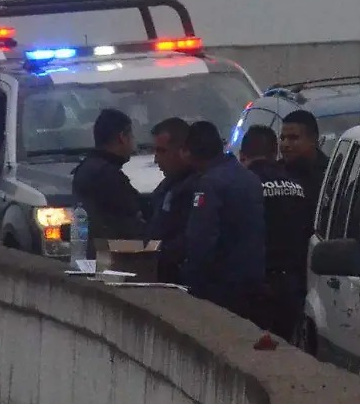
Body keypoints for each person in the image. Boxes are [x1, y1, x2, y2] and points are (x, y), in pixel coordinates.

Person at [178, 119, 265, 322]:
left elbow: (201, 239)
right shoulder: (249, 178)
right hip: (253, 284)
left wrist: (188, 277)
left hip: (221, 289)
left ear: (191, 153)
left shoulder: (209, 184)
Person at [241, 124, 310, 340]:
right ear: (274, 153)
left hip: (256, 285)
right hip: (292, 283)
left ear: (243, 156)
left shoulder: (243, 185)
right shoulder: (296, 185)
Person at [69, 108, 147, 247]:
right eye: (132, 136)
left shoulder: (89, 168)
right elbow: (132, 218)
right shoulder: (107, 175)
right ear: (122, 137)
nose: (134, 143)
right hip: (110, 258)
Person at [147, 117, 198, 282]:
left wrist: (158, 253)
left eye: (162, 151)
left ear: (183, 150)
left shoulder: (197, 187)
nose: (156, 159)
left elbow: (188, 240)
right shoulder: (169, 183)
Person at [278, 110, 328, 230]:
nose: (285, 144)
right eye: (282, 138)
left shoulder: (330, 175)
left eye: (293, 138)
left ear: (314, 139)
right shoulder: (275, 176)